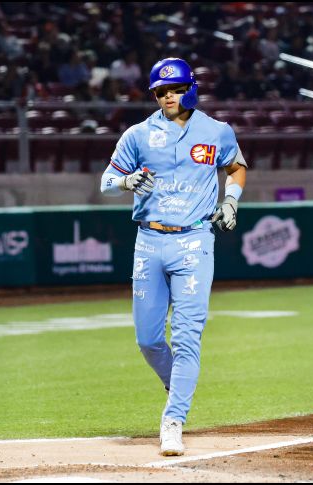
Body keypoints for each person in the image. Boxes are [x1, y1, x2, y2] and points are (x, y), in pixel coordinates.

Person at [99, 57, 247, 456]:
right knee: (148, 339)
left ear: (190, 88)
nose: (167, 96)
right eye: (161, 91)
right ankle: (176, 381)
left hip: (194, 242)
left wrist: (231, 201)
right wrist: (127, 180)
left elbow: (236, 168)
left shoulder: (216, 131)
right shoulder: (138, 135)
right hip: (148, 242)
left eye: (175, 89)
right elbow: (107, 181)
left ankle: (173, 419)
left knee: (186, 336)